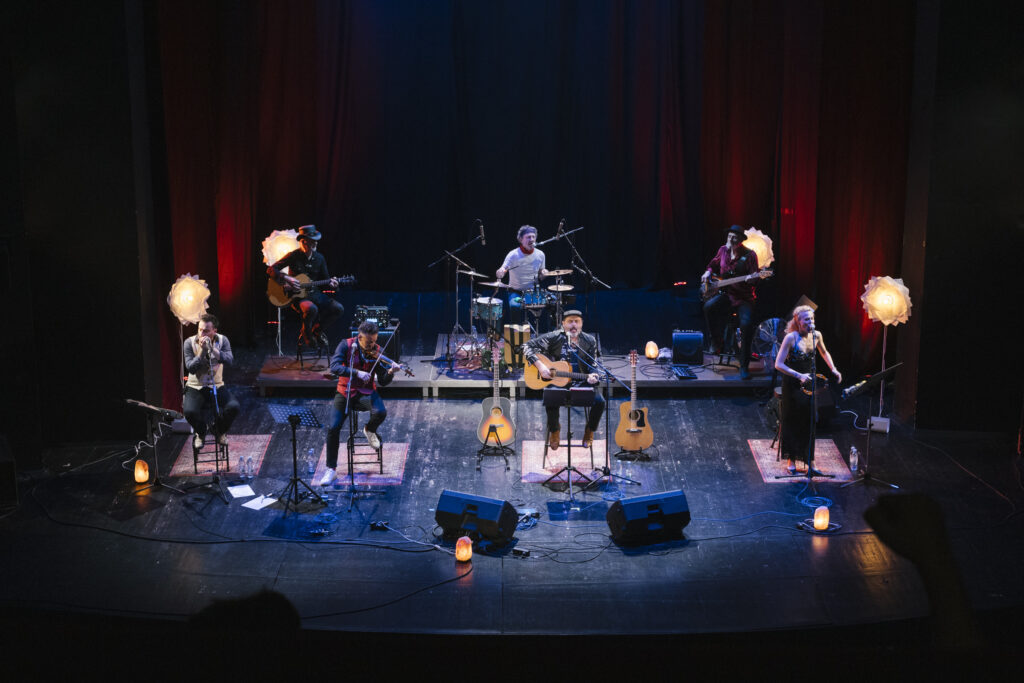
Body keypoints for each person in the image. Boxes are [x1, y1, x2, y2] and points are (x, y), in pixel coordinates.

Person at [319, 321, 401, 486]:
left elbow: (383, 381)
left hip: (366, 392)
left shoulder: (377, 351)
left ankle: (369, 429)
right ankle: (331, 469)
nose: (372, 345)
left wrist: (391, 372)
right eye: (369, 342)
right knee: (333, 428)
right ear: (360, 337)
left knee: (380, 412)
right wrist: (356, 372)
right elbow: (334, 367)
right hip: (345, 391)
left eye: (374, 341)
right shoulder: (346, 345)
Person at [774, 305, 841, 472]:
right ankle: (791, 460)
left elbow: (824, 352)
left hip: (809, 384)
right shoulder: (790, 338)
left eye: (812, 319)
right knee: (792, 420)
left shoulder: (816, 336)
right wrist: (799, 376)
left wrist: (833, 369)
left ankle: (810, 461)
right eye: (806, 319)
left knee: (809, 421)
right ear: (798, 321)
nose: (810, 322)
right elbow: (778, 364)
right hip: (792, 384)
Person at [524, 309, 603, 450]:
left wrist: (594, 375)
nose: (573, 325)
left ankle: (590, 430)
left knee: (600, 402)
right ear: (563, 323)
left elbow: (594, 364)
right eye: (570, 322)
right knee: (550, 395)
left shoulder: (589, 341)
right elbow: (526, 346)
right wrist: (540, 366)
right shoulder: (555, 337)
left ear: (581, 324)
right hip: (558, 381)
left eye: (577, 322)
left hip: (581, 382)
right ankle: (555, 430)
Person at [266, 224, 345, 349]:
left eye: (316, 241)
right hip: (298, 297)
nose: (315, 244)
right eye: (312, 241)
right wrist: (286, 278)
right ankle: (306, 332)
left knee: (338, 308)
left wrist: (333, 285)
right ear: (303, 242)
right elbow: (271, 269)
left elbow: (326, 280)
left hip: (315, 294)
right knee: (311, 309)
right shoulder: (293, 255)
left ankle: (317, 330)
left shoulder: (320, 258)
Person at [701, 225, 760, 379]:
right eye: (729, 236)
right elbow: (712, 265)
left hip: (744, 298)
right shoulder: (723, 250)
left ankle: (744, 366)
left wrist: (751, 279)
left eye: (734, 237)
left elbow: (755, 278)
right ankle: (717, 341)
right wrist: (707, 272)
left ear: (740, 240)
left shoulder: (750, 255)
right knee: (708, 307)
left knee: (746, 325)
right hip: (727, 294)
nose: (731, 240)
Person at [183, 313, 240, 450]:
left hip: (217, 386)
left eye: (206, 331)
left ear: (214, 331)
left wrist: (212, 350)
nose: (202, 334)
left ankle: (218, 430)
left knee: (233, 407)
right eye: (200, 330)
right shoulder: (189, 342)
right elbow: (191, 368)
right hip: (196, 386)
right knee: (189, 411)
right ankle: (201, 432)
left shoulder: (223, 340)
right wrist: (202, 352)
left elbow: (229, 360)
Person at [496, 225, 549, 326]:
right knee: (515, 307)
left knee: (550, 304)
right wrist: (500, 272)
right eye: (528, 237)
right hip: (515, 292)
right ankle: (517, 333)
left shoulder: (540, 254)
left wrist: (544, 273)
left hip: (532, 292)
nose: (531, 239)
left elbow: (541, 275)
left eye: (533, 237)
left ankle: (548, 333)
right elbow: (502, 269)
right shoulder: (513, 254)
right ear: (521, 239)